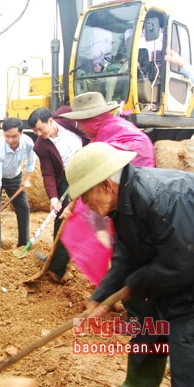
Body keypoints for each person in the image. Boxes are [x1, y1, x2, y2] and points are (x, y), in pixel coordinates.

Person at [65, 142, 194, 387]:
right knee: (145, 347)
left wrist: (134, 286)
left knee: (187, 368)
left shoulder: (161, 198)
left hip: (187, 286)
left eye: (87, 196)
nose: (86, 204)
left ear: (105, 184)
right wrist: (101, 296)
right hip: (170, 283)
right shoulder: (123, 204)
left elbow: (180, 263)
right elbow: (126, 254)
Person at [55, 91, 156, 283]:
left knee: (113, 228)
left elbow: (99, 182)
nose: (81, 127)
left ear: (93, 119)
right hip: (121, 189)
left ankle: (130, 289)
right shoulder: (103, 133)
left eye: (83, 121)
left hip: (132, 186)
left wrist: (77, 206)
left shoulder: (114, 136)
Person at [28, 106, 87, 280]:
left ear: (51, 121)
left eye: (40, 128)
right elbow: (48, 173)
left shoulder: (67, 117)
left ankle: (60, 261)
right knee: (62, 219)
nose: (38, 133)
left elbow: (87, 127)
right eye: (35, 131)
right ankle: (57, 265)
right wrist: (54, 198)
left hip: (91, 168)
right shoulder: (41, 146)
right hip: (68, 179)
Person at [0, 117, 36, 248]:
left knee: (23, 208)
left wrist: (27, 179)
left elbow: (31, 161)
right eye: (7, 136)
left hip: (14, 177)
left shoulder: (28, 143)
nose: (10, 140)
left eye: (14, 136)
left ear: (22, 133)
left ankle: (23, 243)